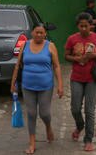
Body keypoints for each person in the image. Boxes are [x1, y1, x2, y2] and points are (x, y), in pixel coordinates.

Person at [11, 23, 64, 155]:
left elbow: (57, 66)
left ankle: (48, 127)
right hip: (27, 86)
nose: (39, 35)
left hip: (46, 86)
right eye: (36, 32)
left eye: (41, 32)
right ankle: (32, 143)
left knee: (44, 113)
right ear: (32, 33)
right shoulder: (25, 45)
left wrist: (60, 85)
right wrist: (13, 83)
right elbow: (18, 65)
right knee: (31, 113)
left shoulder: (50, 46)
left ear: (45, 34)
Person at [65, 12, 96, 152]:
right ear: (77, 26)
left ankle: (88, 139)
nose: (83, 29)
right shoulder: (72, 39)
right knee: (75, 108)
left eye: (86, 26)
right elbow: (66, 55)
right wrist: (77, 59)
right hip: (76, 78)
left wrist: (94, 55)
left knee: (89, 110)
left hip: (93, 79)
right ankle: (80, 125)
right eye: (81, 26)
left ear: (91, 25)